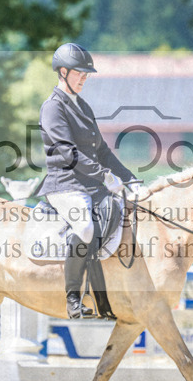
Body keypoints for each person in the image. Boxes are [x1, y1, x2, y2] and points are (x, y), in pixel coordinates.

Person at [39, 43, 140, 318]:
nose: (84, 78)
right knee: (84, 228)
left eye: (86, 74)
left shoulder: (82, 105)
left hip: (91, 186)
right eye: (79, 73)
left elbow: (102, 151)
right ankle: (72, 297)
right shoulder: (52, 107)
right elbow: (68, 152)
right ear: (63, 72)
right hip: (65, 185)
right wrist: (104, 176)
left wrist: (129, 179)